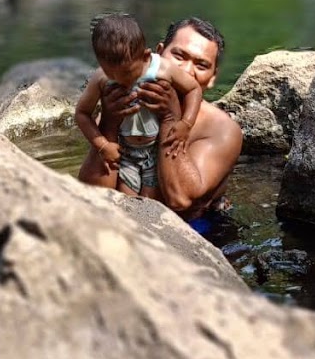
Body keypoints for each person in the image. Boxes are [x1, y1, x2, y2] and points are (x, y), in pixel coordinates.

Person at [78, 16, 243, 222]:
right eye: (179, 56)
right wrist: (110, 124)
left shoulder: (221, 130)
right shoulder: (125, 107)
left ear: (212, 78)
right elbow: (92, 196)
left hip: (197, 230)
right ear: (158, 54)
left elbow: (180, 200)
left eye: (201, 65)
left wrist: (170, 118)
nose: (186, 70)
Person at [75, 13, 203, 198]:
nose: (121, 80)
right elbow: (82, 113)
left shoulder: (163, 68)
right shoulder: (100, 77)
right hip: (124, 149)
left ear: (145, 56)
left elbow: (193, 89)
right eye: (112, 75)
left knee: (150, 201)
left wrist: (186, 123)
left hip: (155, 148)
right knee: (126, 201)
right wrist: (103, 145)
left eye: (127, 73)